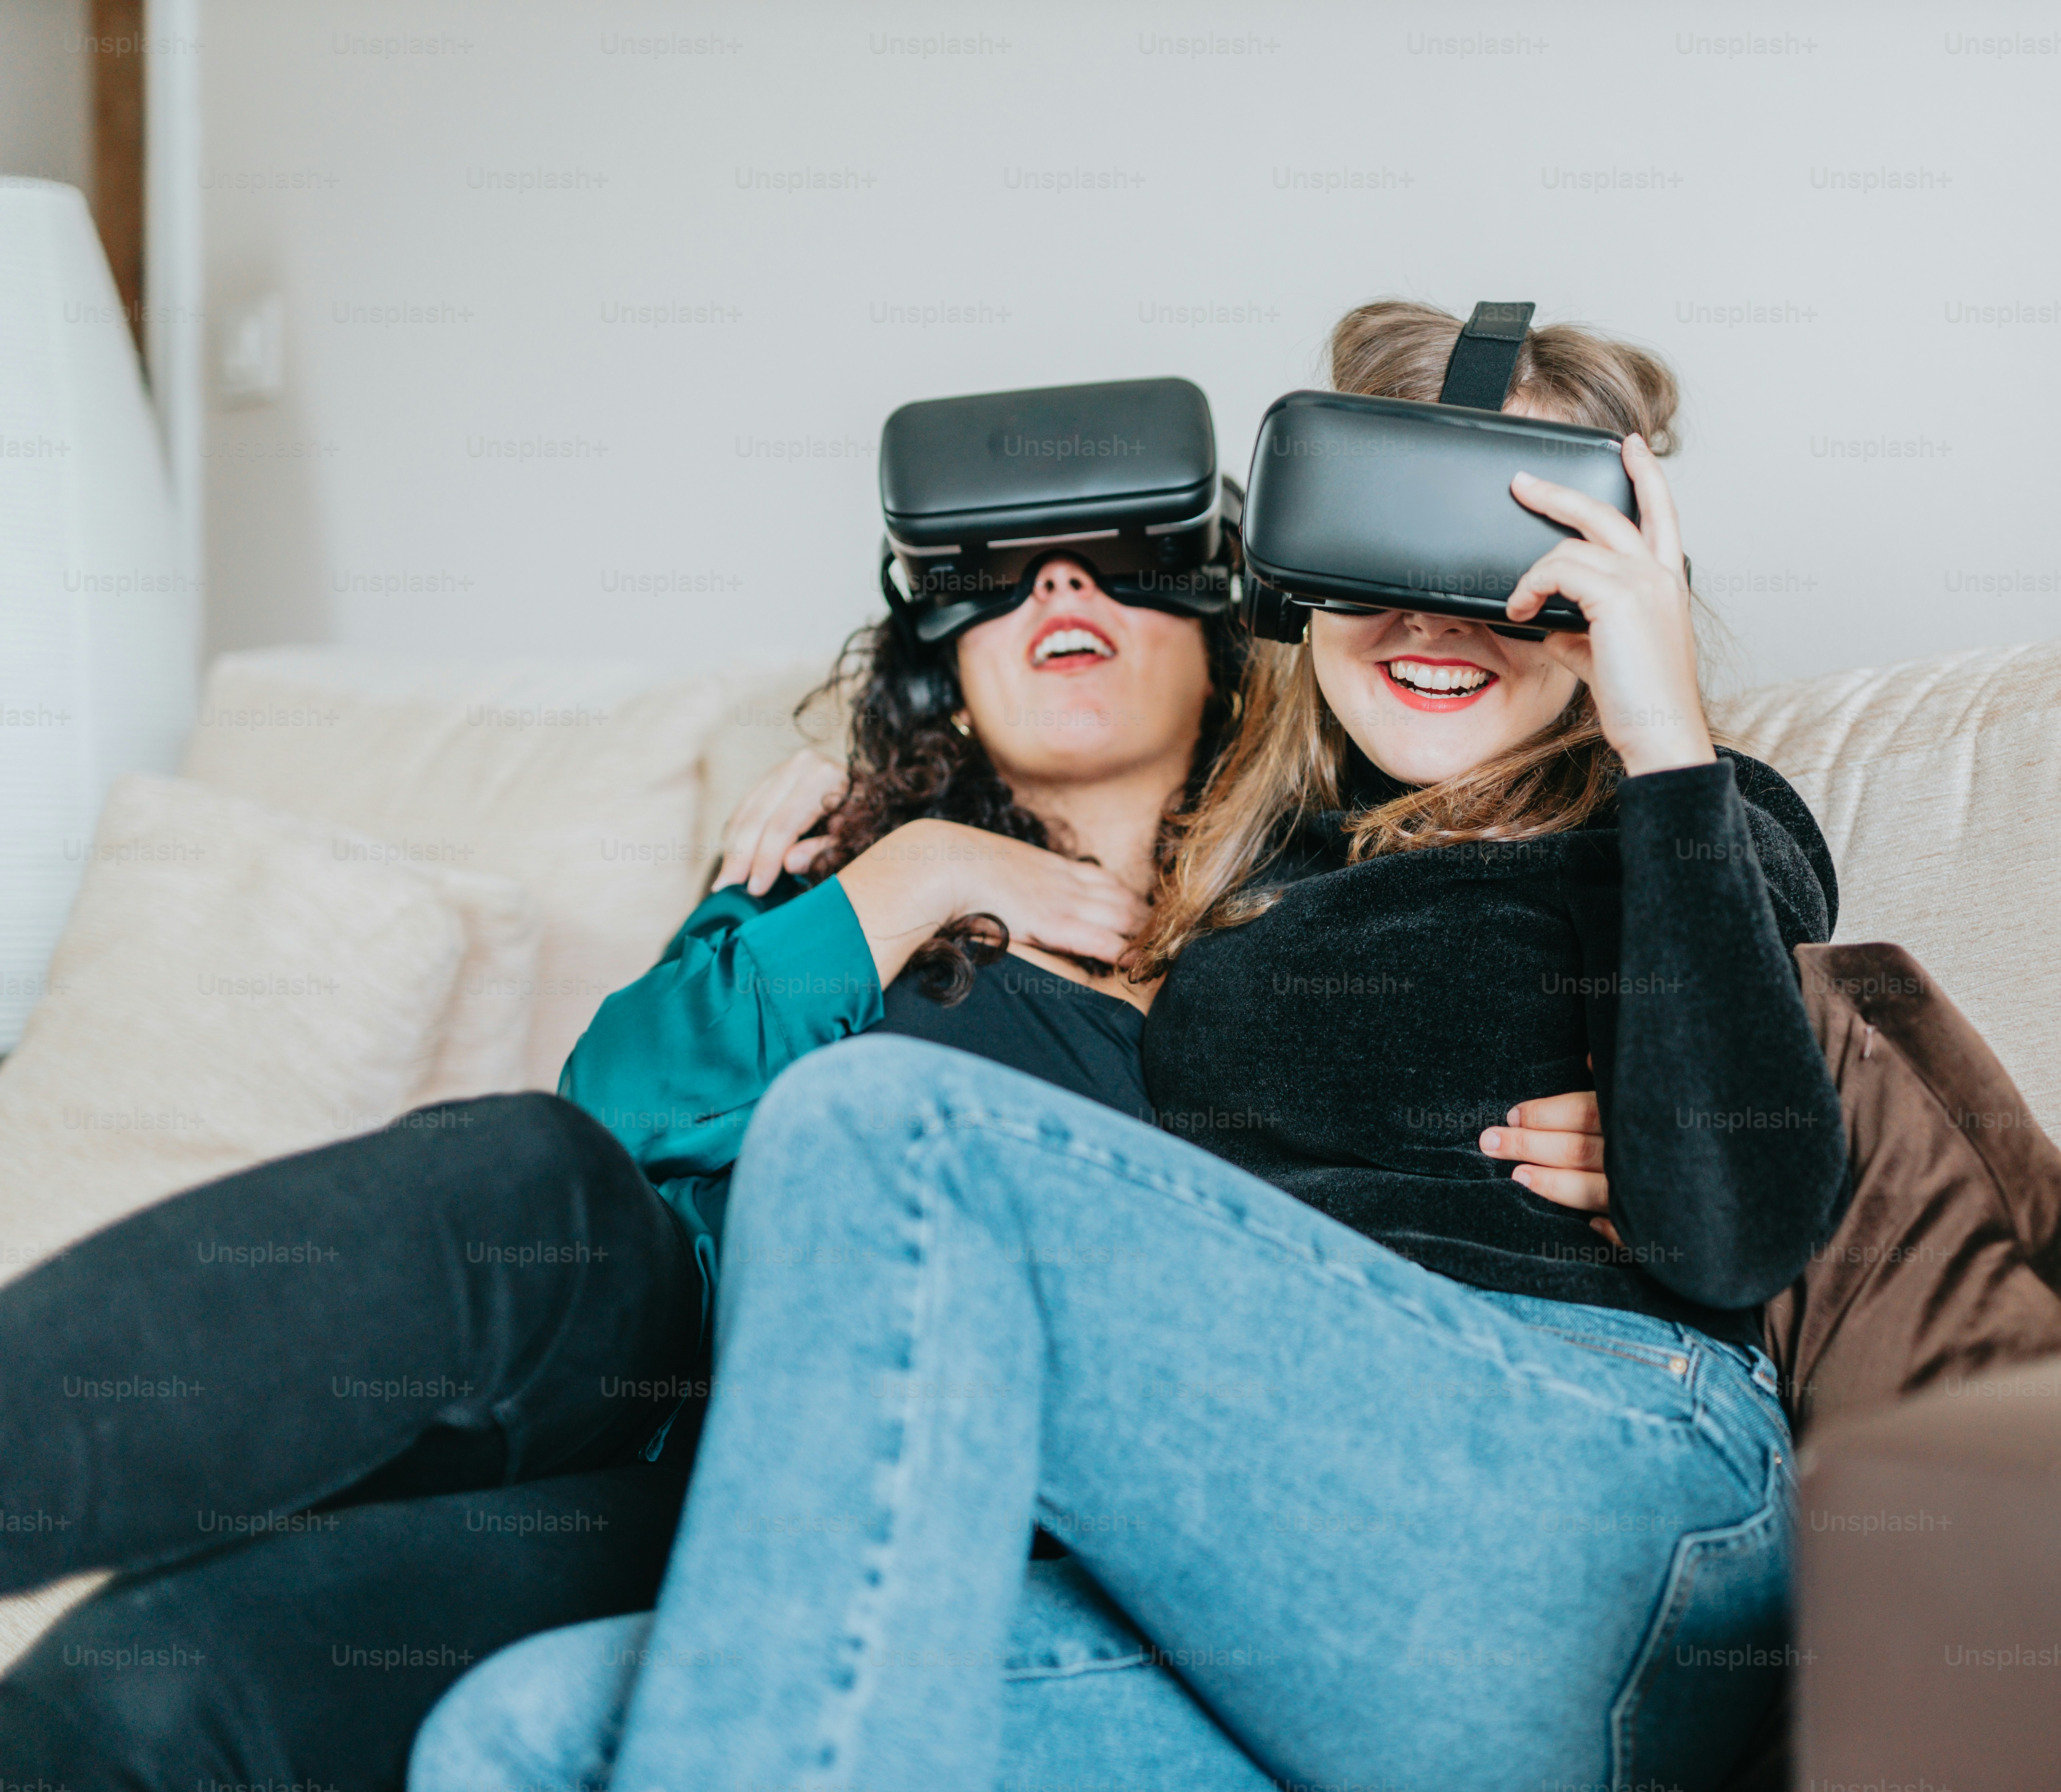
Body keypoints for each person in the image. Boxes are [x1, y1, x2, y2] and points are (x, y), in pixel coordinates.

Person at [411, 300, 1849, 1792]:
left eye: (1512, 575)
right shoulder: (1259, 871)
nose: (1434, 620)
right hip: (1294, 1604)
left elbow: (1741, 1223)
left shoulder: (1682, 814)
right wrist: (866, 866)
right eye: (1384, 561)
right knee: (524, 1737)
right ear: (1299, 582)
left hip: (1590, 1507)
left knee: (884, 1126)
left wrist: (1662, 740)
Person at [0, 537, 1625, 1789]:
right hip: (646, 1365)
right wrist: (900, 881)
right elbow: (614, 1122)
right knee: (521, 1175)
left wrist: (1646, 1135)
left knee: (133, 1685)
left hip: (872, 1489)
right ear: (943, 664)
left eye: (1122, 559)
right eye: (995, 573)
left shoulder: (1356, 934)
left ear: (1226, 644)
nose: (1061, 583)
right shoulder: (842, 876)